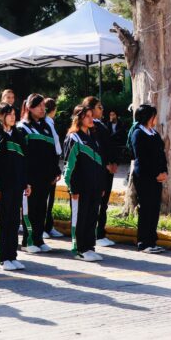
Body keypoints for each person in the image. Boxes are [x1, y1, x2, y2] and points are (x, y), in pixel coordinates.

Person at [0, 103, 31, 270]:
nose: (12, 117)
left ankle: (12, 256)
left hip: (16, 186)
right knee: (2, 223)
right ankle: (2, 258)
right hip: (1, 188)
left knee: (13, 222)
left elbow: (24, 162)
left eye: (14, 114)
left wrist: (26, 182)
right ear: (0, 116)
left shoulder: (18, 136)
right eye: (8, 114)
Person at [63, 104, 106, 261]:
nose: (91, 118)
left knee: (92, 217)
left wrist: (101, 185)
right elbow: (68, 166)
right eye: (87, 116)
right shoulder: (73, 138)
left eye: (91, 115)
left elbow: (100, 164)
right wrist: (72, 188)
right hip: (80, 188)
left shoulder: (93, 137)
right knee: (80, 218)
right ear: (79, 118)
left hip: (95, 187)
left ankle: (89, 247)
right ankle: (79, 249)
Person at [18, 95, 58, 254]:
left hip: (45, 177)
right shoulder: (22, 128)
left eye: (43, 105)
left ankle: (39, 239)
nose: (43, 108)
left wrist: (55, 170)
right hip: (30, 178)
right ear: (29, 107)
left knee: (42, 209)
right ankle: (28, 241)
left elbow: (52, 151)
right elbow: (21, 155)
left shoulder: (46, 127)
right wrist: (24, 178)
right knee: (30, 209)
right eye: (39, 105)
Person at [82, 96, 120, 248]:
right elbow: (97, 149)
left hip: (107, 169)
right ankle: (97, 234)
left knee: (103, 203)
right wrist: (106, 165)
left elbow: (110, 145)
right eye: (99, 107)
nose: (102, 110)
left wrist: (115, 162)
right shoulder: (91, 128)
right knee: (97, 203)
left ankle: (100, 232)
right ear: (90, 109)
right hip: (99, 170)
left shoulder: (101, 125)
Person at [130, 104, 167, 253]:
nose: (156, 119)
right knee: (146, 209)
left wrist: (164, 171)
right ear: (148, 117)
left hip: (157, 178)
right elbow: (142, 159)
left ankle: (152, 241)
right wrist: (155, 174)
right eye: (154, 116)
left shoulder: (154, 133)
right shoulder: (138, 133)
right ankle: (143, 242)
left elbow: (161, 153)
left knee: (154, 208)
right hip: (144, 177)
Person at [42, 97, 64, 237]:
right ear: (54, 109)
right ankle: (43, 227)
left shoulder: (50, 122)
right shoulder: (46, 123)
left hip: (53, 162)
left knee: (50, 198)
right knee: (45, 198)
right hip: (48, 164)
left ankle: (48, 226)